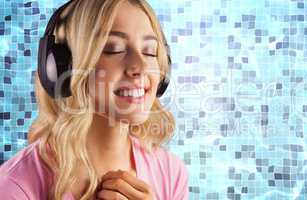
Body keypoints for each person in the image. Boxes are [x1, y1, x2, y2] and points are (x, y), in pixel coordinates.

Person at [0, 0, 189, 199]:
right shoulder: (14, 186)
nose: (141, 66)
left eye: (150, 51)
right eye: (113, 49)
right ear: (62, 66)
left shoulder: (171, 172)